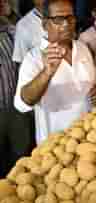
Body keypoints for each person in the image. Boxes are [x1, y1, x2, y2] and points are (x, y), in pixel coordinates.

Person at [14, 0, 96, 145]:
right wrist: (46, 73)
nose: (66, 24)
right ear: (45, 24)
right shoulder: (33, 58)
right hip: (56, 145)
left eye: (70, 18)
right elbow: (22, 103)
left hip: (89, 137)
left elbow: (92, 78)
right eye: (58, 19)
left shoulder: (82, 48)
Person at [0, 0, 33, 178]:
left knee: (21, 157)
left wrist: (10, 14)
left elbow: (27, 29)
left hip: (15, 108)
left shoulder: (9, 31)